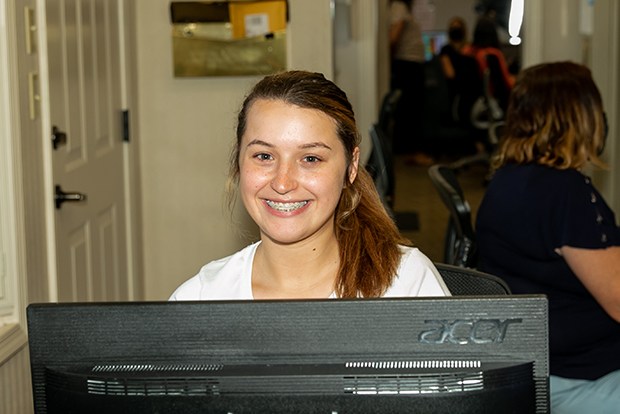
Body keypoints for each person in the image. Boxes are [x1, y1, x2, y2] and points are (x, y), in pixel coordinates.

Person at [170, 70, 449, 300]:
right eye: (264, 156)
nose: (282, 182)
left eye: (311, 158)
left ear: (351, 167)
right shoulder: (200, 299)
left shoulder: (406, 285)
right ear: (238, 163)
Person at [475, 62, 620, 414]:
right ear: (583, 117)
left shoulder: (508, 179)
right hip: (579, 378)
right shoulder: (565, 192)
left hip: (536, 368)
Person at [388, 0, 433, 165]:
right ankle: (414, 152)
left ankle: (411, 151)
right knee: (413, 110)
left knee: (410, 109)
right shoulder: (399, 7)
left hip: (408, 64)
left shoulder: (401, 8)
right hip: (407, 65)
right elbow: (393, 37)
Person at [468, 16, 515, 112]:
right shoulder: (493, 54)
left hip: (474, 102)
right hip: (497, 101)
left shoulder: (469, 53)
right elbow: (506, 82)